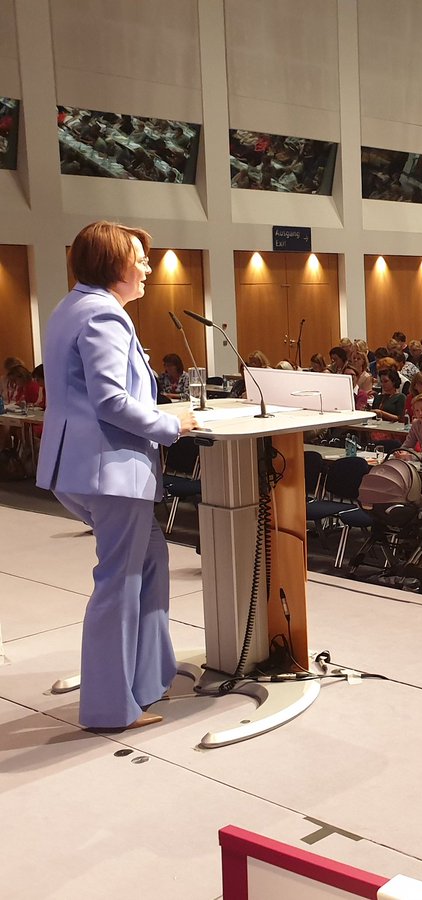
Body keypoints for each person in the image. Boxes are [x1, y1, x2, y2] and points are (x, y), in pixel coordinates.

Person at [36, 221, 197, 731]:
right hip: (111, 469)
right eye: (139, 258)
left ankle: (148, 679)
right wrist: (172, 423)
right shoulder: (105, 313)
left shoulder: (71, 307)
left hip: (81, 466)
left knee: (150, 561)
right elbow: (110, 401)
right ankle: (111, 708)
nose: (147, 266)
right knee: (119, 583)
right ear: (113, 264)